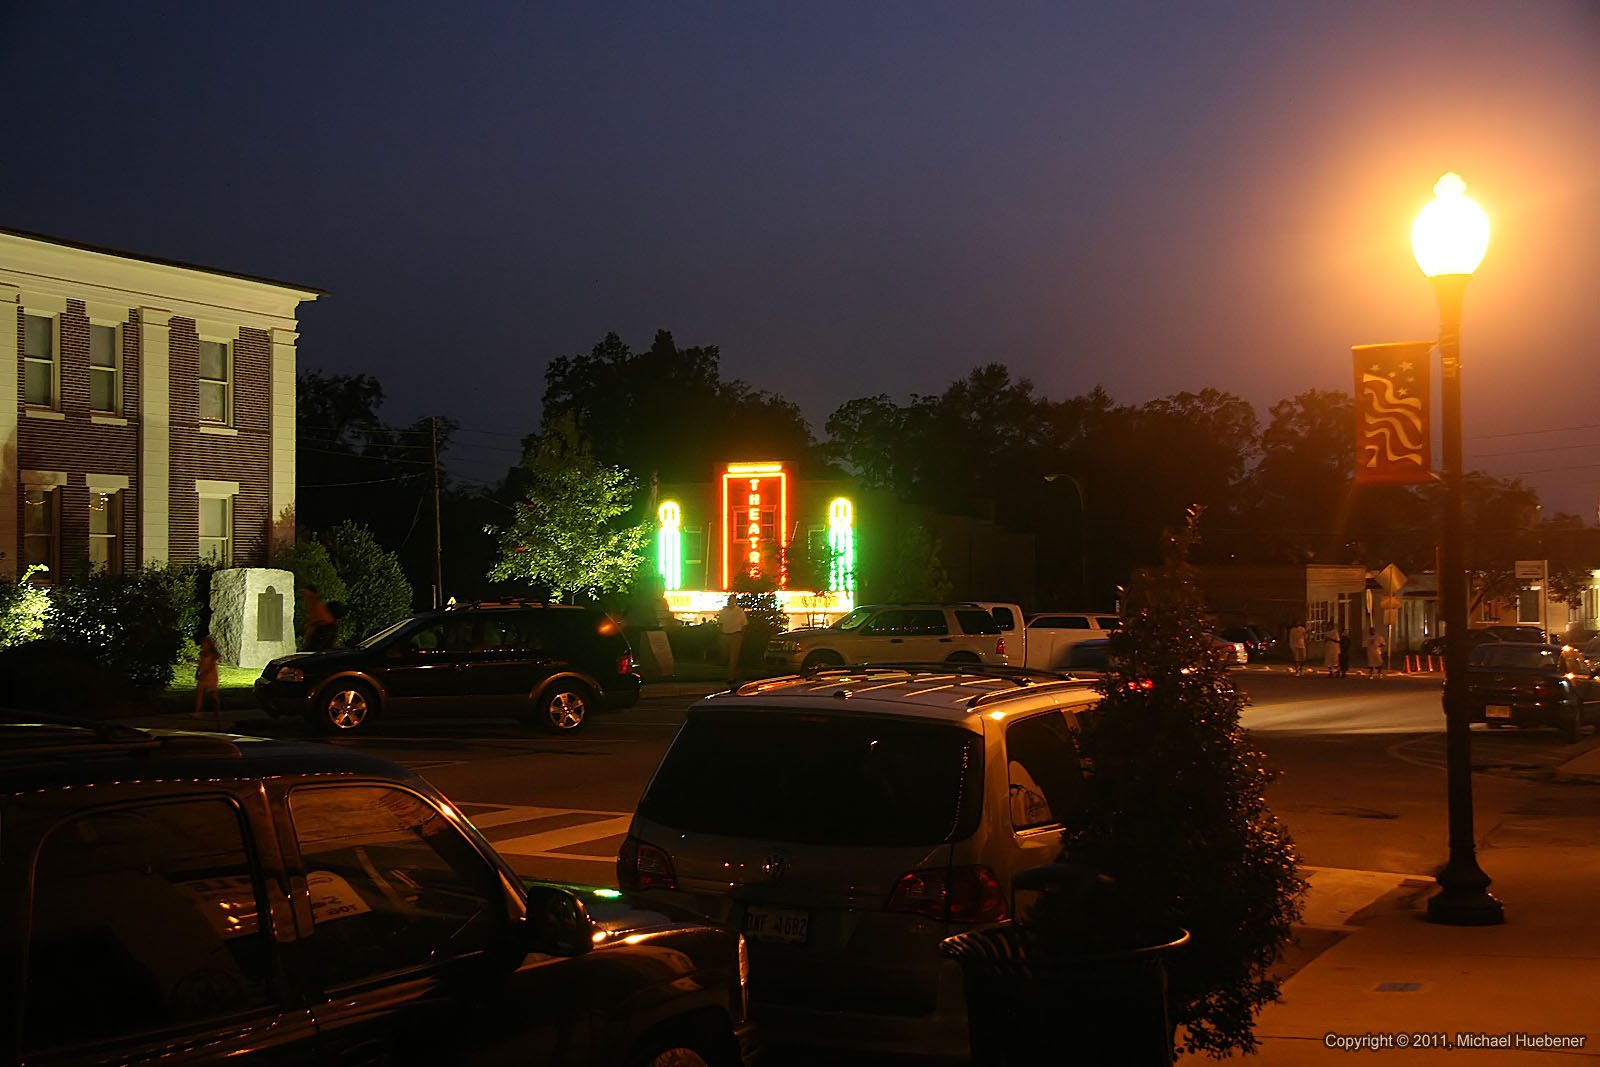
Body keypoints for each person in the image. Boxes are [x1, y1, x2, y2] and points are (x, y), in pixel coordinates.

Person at [717, 594, 748, 684]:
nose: (731, 602)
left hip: (735, 635)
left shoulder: (739, 611)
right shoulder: (724, 611)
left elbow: (744, 624)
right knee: (725, 656)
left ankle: (731, 677)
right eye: (730, 600)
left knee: (733, 657)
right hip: (725, 634)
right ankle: (729, 675)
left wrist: (740, 635)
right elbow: (720, 623)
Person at [301, 585, 337, 651]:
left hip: (325, 626)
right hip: (325, 626)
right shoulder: (315, 608)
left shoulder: (314, 602)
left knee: (313, 651)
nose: (303, 601)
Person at [194, 634, 220, 721]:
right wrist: (198, 672)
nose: (202, 645)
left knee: (213, 695)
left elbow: (211, 667)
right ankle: (198, 712)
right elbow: (200, 664)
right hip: (203, 676)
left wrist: (204, 673)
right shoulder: (202, 654)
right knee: (199, 693)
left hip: (210, 676)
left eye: (204, 644)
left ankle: (216, 712)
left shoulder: (212, 655)